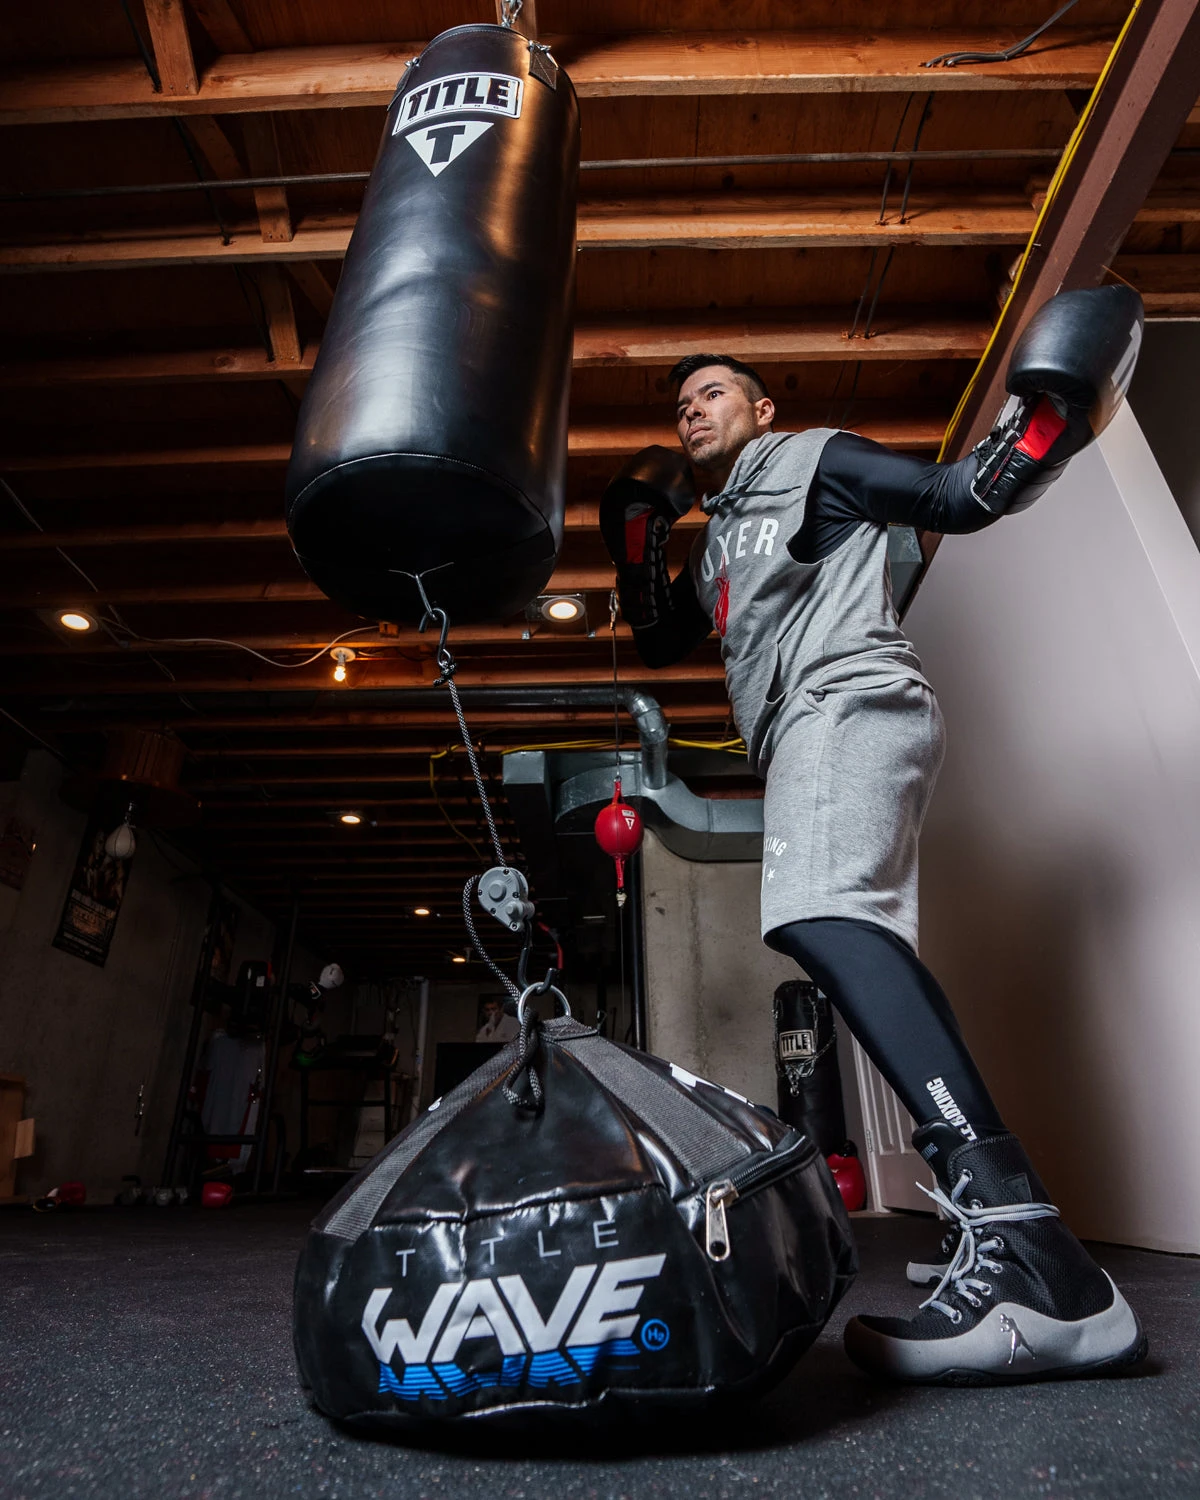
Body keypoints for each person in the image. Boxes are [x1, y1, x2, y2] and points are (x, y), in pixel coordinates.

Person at [598, 286, 1148, 1385]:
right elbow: (660, 640)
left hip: (848, 697)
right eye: (682, 404)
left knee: (821, 916)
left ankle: (1027, 1244)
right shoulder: (719, 544)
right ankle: (1029, 1246)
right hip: (806, 726)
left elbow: (955, 495)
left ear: (762, 409)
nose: (693, 410)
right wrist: (638, 545)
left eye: (713, 393)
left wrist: (1044, 417)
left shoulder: (817, 460)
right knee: (851, 935)